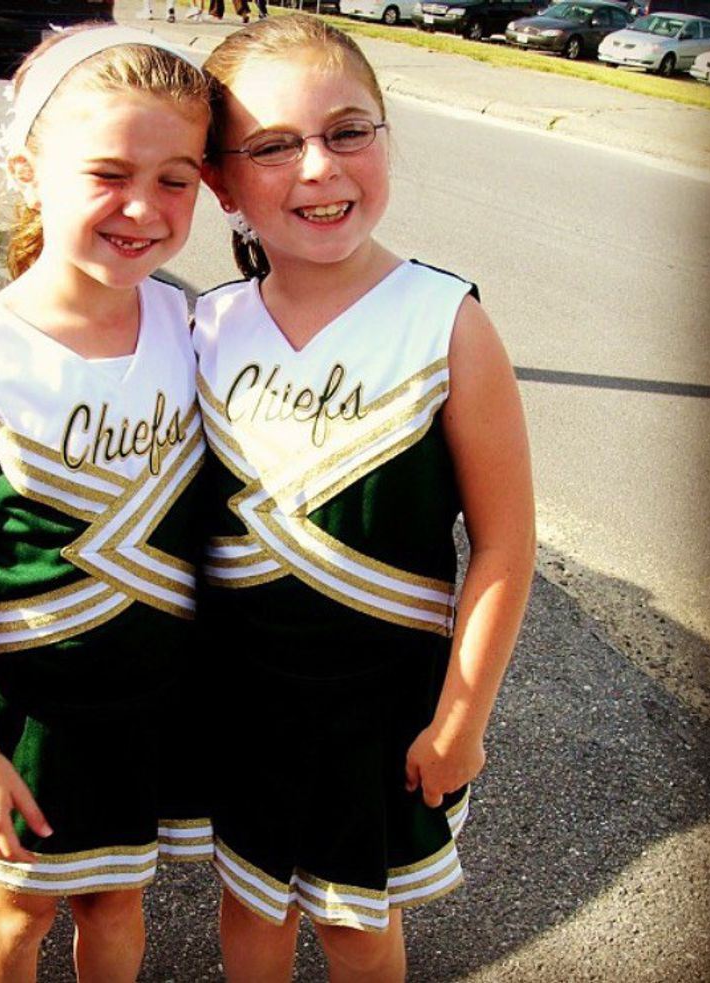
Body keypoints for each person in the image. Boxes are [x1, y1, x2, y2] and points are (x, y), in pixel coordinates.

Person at [195, 15, 536, 982]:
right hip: (243, 704)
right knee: (250, 908)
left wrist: (462, 716)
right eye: (273, 146)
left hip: (382, 712)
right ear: (221, 183)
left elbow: (505, 543)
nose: (320, 168)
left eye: (348, 131)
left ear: (385, 135)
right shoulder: (203, 326)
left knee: (356, 925)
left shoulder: (447, 322)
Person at [0, 25, 212, 983]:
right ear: (29, 172)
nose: (143, 207)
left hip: (153, 702)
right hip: (29, 711)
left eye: (176, 179)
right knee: (18, 904)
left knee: (118, 896)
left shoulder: (193, 323)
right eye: (107, 173)